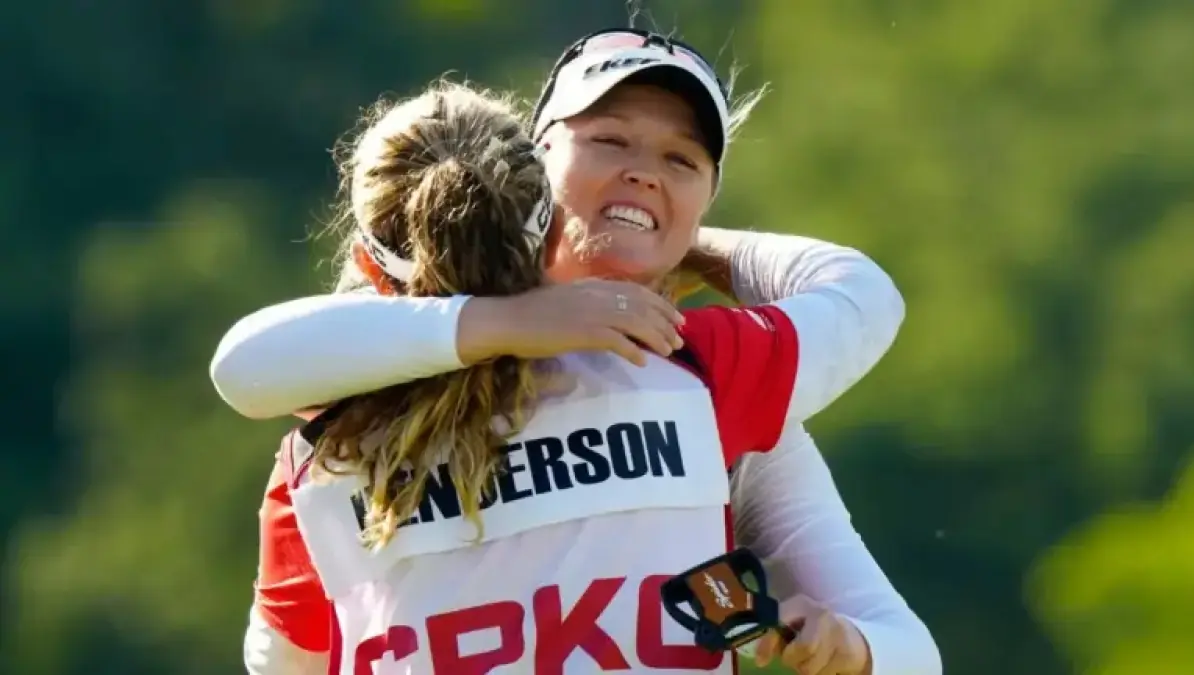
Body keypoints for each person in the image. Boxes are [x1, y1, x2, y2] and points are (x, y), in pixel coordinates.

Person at [219, 30, 940, 675]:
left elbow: (909, 652)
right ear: (535, 164)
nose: (645, 172)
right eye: (610, 141)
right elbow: (240, 369)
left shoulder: (703, 372)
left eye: (681, 161)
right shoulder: (349, 404)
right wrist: (531, 315)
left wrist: (854, 649)